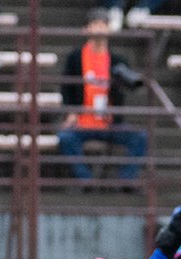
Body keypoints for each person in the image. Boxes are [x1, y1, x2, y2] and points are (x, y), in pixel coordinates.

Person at [57, 12, 148, 185]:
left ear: (109, 29)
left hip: (110, 124)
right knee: (65, 137)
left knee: (140, 137)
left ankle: (124, 182)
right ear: (87, 29)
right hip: (82, 123)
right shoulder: (75, 58)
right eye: (95, 24)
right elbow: (65, 87)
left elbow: (132, 85)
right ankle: (86, 181)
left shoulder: (117, 60)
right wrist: (71, 112)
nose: (98, 29)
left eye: (102, 24)